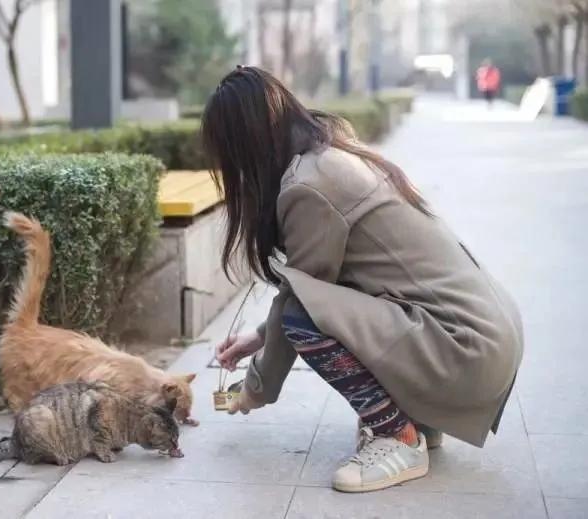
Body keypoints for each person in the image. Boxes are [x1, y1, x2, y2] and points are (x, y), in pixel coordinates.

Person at [205, 66, 523, 493]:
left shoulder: (309, 185)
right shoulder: (330, 154)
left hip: (465, 350)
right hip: (484, 336)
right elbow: (320, 288)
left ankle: (399, 437)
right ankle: (420, 418)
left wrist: (255, 388)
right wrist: (259, 337)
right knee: (315, 304)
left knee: (303, 315)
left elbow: (301, 300)